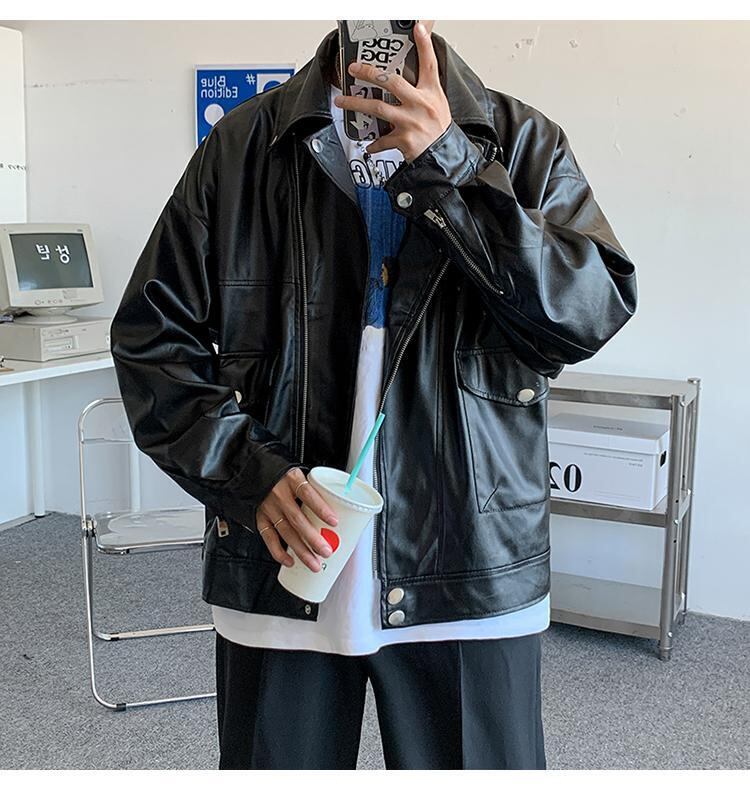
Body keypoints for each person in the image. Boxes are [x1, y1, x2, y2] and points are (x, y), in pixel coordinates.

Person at [110, 21, 637, 769]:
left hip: (466, 560)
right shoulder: (243, 147)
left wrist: (450, 167)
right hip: (285, 554)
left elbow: (584, 318)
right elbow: (152, 340)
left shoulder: (519, 141)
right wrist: (245, 474)